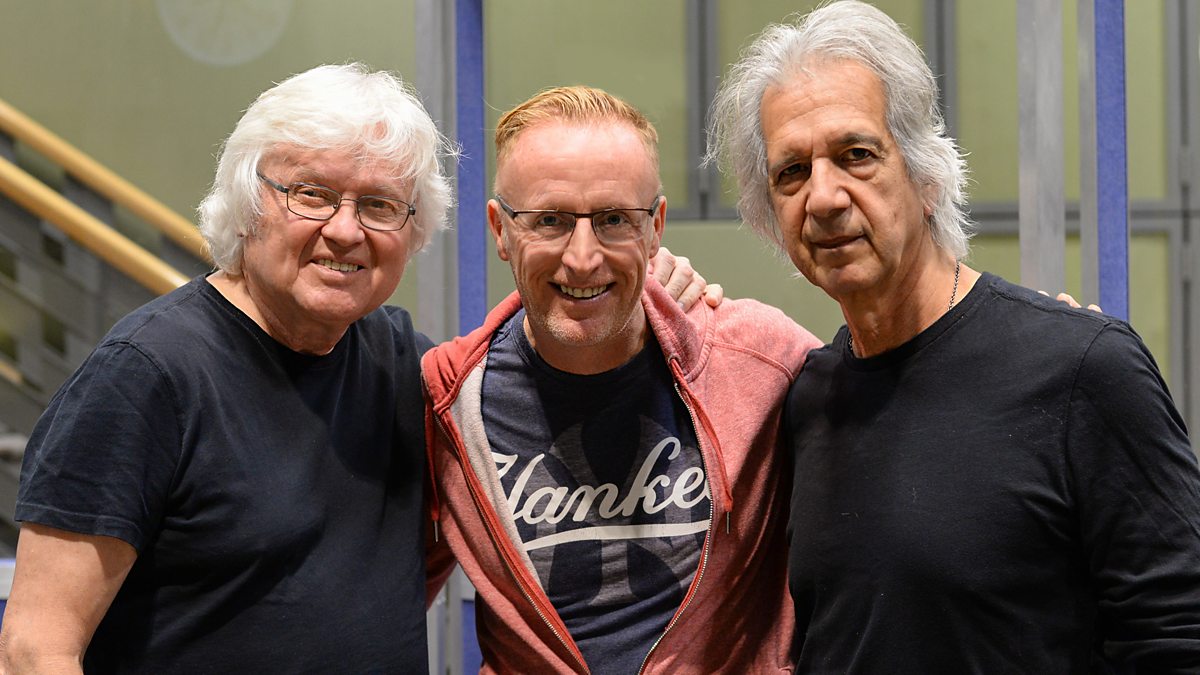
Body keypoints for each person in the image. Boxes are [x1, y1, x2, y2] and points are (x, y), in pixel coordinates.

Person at [706, 1, 1200, 672]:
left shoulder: (1084, 370)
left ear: (927, 177)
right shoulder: (808, 400)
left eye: (857, 155)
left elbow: (1176, 638)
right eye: (791, 171)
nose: (823, 197)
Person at [422, 85, 823, 673]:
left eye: (614, 220)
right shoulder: (446, 402)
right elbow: (370, 601)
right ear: (500, 230)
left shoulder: (760, 362)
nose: (583, 258)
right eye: (550, 221)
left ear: (655, 227)